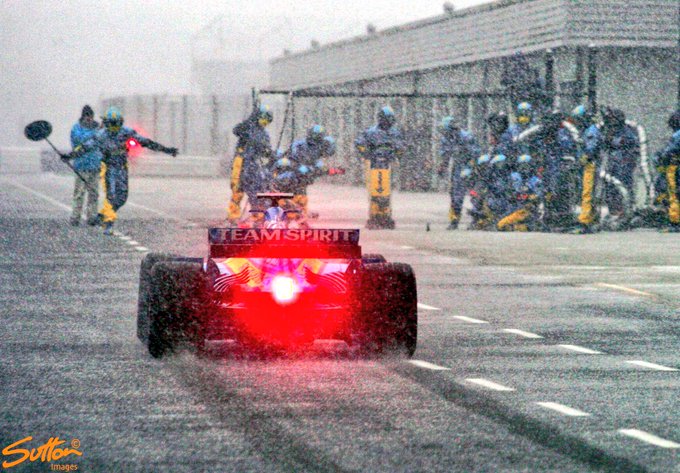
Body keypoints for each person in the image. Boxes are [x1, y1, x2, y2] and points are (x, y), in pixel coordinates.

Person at [70, 106, 178, 235]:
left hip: (122, 166)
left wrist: (166, 150)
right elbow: (85, 147)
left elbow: (146, 142)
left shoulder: (126, 132)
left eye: (116, 123)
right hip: (108, 167)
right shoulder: (101, 135)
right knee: (111, 195)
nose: (114, 127)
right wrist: (70, 155)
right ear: (107, 123)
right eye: (112, 123)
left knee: (122, 198)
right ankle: (108, 223)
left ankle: (102, 216)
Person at [271, 126, 338, 219]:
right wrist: (300, 167)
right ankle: (289, 209)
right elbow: (292, 159)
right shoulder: (301, 146)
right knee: (294, 184)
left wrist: (326, 170)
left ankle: (299, 209)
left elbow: (316, 168)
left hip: (296, 176)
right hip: (288, 174)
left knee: (301, 185)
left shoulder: (314, 152)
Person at [355, 106, 405, 229]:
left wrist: (397, 154)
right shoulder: (371, 132)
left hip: (388, 164)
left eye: (390, 119)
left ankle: (385, 215)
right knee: (375, 191)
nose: (388, 121)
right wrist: (366, 153)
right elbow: (359, 143)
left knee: (386, 191)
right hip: (373, 163)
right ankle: (375, 215)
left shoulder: (395, 133)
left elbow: (401, 147)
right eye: (387, 118)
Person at [228, 105, 274, 225]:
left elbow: (266, 150)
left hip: (254, 163)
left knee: (255, 189)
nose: (265, 122)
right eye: (263, 118)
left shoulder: (264, 134)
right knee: (237, 188)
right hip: (241, 161)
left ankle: (257, 216)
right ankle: (233, 216)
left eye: (267, 120)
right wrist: (249, 122)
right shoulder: (248, 127)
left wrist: (269, 152)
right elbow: (236, 130)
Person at [437, 116, 481, 230]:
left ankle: (477, 218)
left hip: (470, 166)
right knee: (455, 195)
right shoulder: (446, 139)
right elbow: (445, 155)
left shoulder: (467, 137)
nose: (445, 134)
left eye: (446, 131)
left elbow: (476, 153)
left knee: (474, 193)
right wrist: (442, 167)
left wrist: (472, 168)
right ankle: (454, 219)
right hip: (457, 167)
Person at [601, 108, 640, 229]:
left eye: (614, 119)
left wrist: (612, 141)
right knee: (610, 189)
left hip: (623, 165)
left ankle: (624, 213)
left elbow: (627, 144)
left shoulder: (627, 132)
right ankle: (614, 212)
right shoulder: (612, 131)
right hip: (613, 165)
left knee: (623, 189)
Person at [569, 105, 603, 233]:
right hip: (588, 165)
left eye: (578, 120)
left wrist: (583, 159)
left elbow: (590, 150)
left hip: (590, 165)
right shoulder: (586, 130)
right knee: (587, 191)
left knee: (587, 192)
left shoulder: (590, 131)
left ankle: (585, 221)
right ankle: (591, 218)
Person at [69, 105, 102, 226]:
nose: (89, 119)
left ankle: (92, 217)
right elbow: (80, 140)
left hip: (95, 165)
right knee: (79, 193)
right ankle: (75, 217)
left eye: (90, 116)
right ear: (83, 117)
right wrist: (96, 133)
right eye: (86, 116)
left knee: (94, 193)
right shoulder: (76, 128)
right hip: (81, 166)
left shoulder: (98, 129)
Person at [497, 154, 543, 231]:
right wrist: (512, 195)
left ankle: (522, 226)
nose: (524, 168)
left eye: (526, 165)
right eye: (522, 165)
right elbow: (508, 190)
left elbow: (538, 195)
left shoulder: (536, 180)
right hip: (514, 206)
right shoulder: (514, 176)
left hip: (528, 208)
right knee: (501, 224)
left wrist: (530, 197)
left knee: (526, 224)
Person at [654, 110, 680, 232]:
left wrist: (661, 158)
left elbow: (669, 151)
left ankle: (675, 222)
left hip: (674, 167)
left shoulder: (677, 135)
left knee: (674, 194)